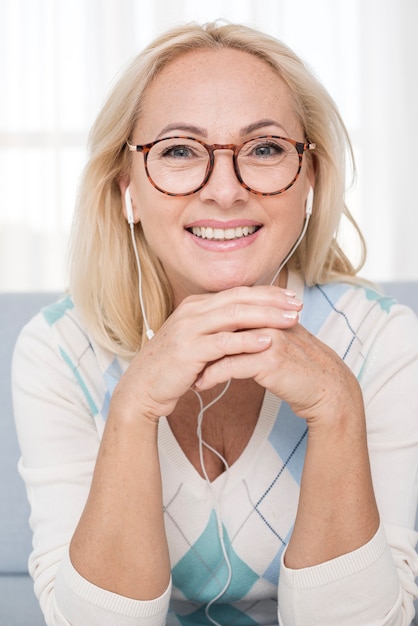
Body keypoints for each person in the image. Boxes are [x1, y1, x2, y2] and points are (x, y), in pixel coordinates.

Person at [12, 21, 418, 626]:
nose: (225, 191)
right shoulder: (58, 349)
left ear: (309, 179)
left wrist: (337, 408)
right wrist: (133, 408)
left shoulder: (384, 341)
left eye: (265, 148)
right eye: (178, 151)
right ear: (127, 187)